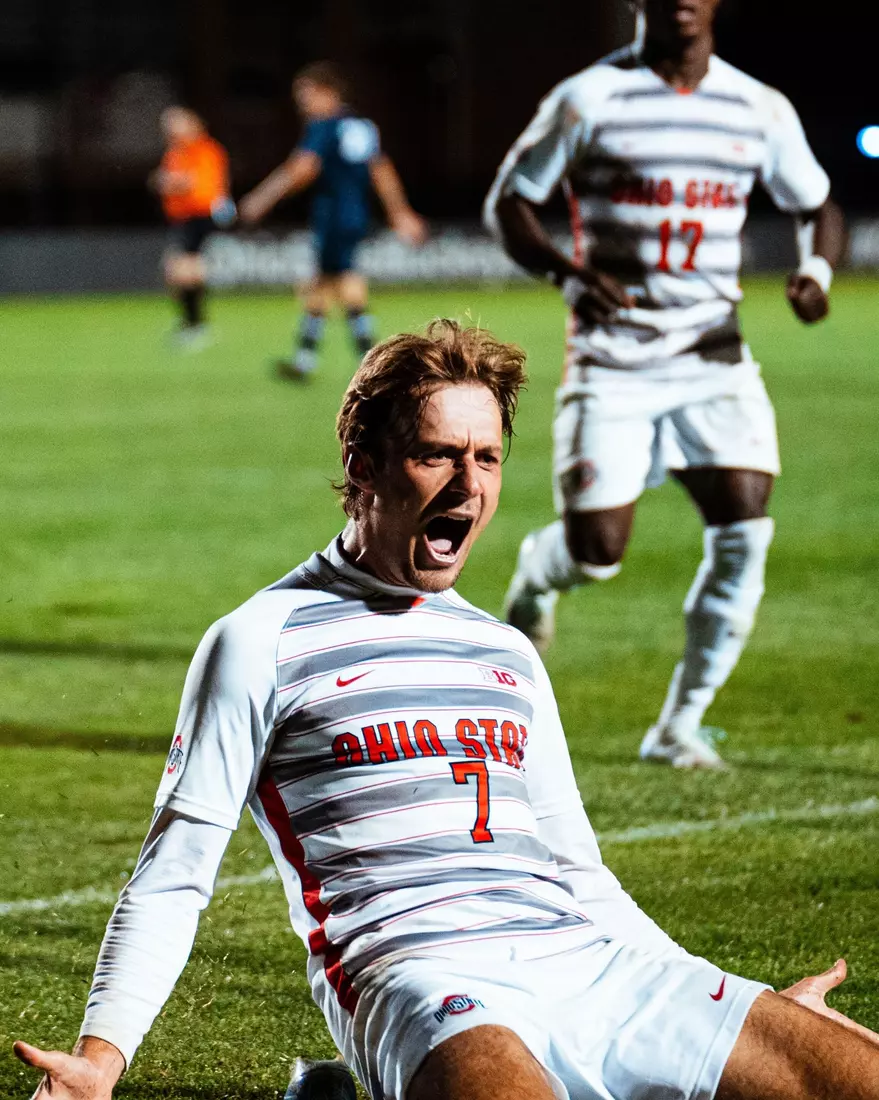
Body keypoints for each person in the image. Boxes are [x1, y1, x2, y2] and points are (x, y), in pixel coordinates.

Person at [14, 322, 879, 1100]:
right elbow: (174, 873)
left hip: (591, 964)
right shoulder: (260, 639)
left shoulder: (504, 653)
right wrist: (100, 1060)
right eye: (437, 454)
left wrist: (746, 1010)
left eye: (488, 458)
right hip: (421, 983)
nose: (467, 484)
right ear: (363, 465)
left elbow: (580, 873)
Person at [484, 0, 845, 768]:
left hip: (715, 358)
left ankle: (677, 725)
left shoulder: (756, 106)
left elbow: (816, 204)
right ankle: (539, 572)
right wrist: (567, 272)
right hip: (612, 361)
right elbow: (509, 201)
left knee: (744, 529)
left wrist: (813, 269)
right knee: (596, 553)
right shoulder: (588, 97)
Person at [238, 61, 427, 381]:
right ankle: (313, 359)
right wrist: (399, 211)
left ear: (329, 92)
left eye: (306, 95)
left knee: (340, 282)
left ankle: (366, 361)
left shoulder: (324, 127)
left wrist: (262, 198)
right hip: (355, 213)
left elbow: (302, 169)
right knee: (328, 282)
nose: (302, 104)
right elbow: (380, 171)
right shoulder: (361, 126)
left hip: (333, 214)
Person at [150, 106, 234, 347]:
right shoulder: (176, 153)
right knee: (175, 270)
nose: (169, 129)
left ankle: (196, 324)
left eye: (176, 123)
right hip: (182, 218)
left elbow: (202, 188)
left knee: (185, 268)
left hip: (199, 217)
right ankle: (191, 323)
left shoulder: (206, 150)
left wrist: (173, 182)